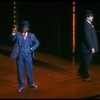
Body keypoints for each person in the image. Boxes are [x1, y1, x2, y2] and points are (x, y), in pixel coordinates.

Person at [10, 20, 39, 92]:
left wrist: (31, 49)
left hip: (28, 54)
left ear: (28, 28)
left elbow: (37, 43)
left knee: (29, 69)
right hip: (20, 55)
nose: (26, 28)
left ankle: (31, 83)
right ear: (22, 27)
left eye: (27, 27)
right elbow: (12, 39)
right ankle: (21, 86)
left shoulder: (31, 35)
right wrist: (13, 33)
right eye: (24, 27)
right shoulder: (18, 34)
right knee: (20, 70)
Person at [77, 10, 99, 82]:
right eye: (91, 16)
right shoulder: (86, 25)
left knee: (85, 61)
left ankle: (80, 72)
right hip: (87, 48)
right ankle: (85, 76)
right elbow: (87, 37)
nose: (92, 17)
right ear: (87, 17)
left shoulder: (88, 24)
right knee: (87, 62)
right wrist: (91, 47)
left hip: (87, 47)